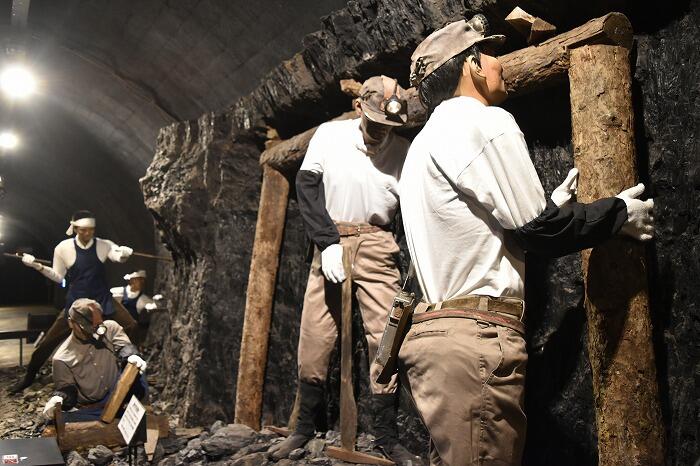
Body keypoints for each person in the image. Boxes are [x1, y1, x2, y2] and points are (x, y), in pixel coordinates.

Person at [397, 14, 655, 465]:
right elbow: (541, 231)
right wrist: (617, 213)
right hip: (475, 343)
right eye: (491, 54)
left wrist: (549, 206)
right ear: (472, 64)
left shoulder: (422, 145)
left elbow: (474, 234)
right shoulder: (483, 121)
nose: (501, 64)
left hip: (437, 341)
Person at [268, 76, 422, 465]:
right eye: (376, 122)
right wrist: (327, 242)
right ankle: (304, 427)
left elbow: (414, 209)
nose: (382, 132)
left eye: (390, 125)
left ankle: (386, 434)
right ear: (358, 109)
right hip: (332, 238)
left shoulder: (403, 152)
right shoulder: (330, 136)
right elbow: (307, 188)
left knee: (387, 336)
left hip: (376, 243)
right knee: (315, 332)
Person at [10, 210, 136, 393]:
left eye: (91, 229)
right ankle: (29, 377)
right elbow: (58, 276)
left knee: (130, 324)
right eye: (83, 230)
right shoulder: (63, 248)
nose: (87, 233)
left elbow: (117, 256)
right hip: (76, 303)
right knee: (48, 342)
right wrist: (37, 266)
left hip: (101, 298)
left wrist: (124, 254)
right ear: (75, 228)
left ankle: (124, 365)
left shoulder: (104, 245)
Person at [41, 298, 147, 422]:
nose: (93, 332)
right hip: (96, 406)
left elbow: (124, 347)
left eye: (97, 326)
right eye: (86, 327)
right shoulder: (62, 358)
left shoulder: (110, 328)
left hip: (119, 389)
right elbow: (68, 389)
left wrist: (132, 355)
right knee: (58, 419)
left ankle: (140, 408)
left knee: (135, 366)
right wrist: (60, 397)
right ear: (71, 323)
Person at [111, 270, 157, 345]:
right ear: (132, 280)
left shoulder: (143, 299)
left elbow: (152, 306)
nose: (142, 283)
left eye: (143, 280)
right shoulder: (118, 291)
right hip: (116, 327)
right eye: (140, 280)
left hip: (130, 332)